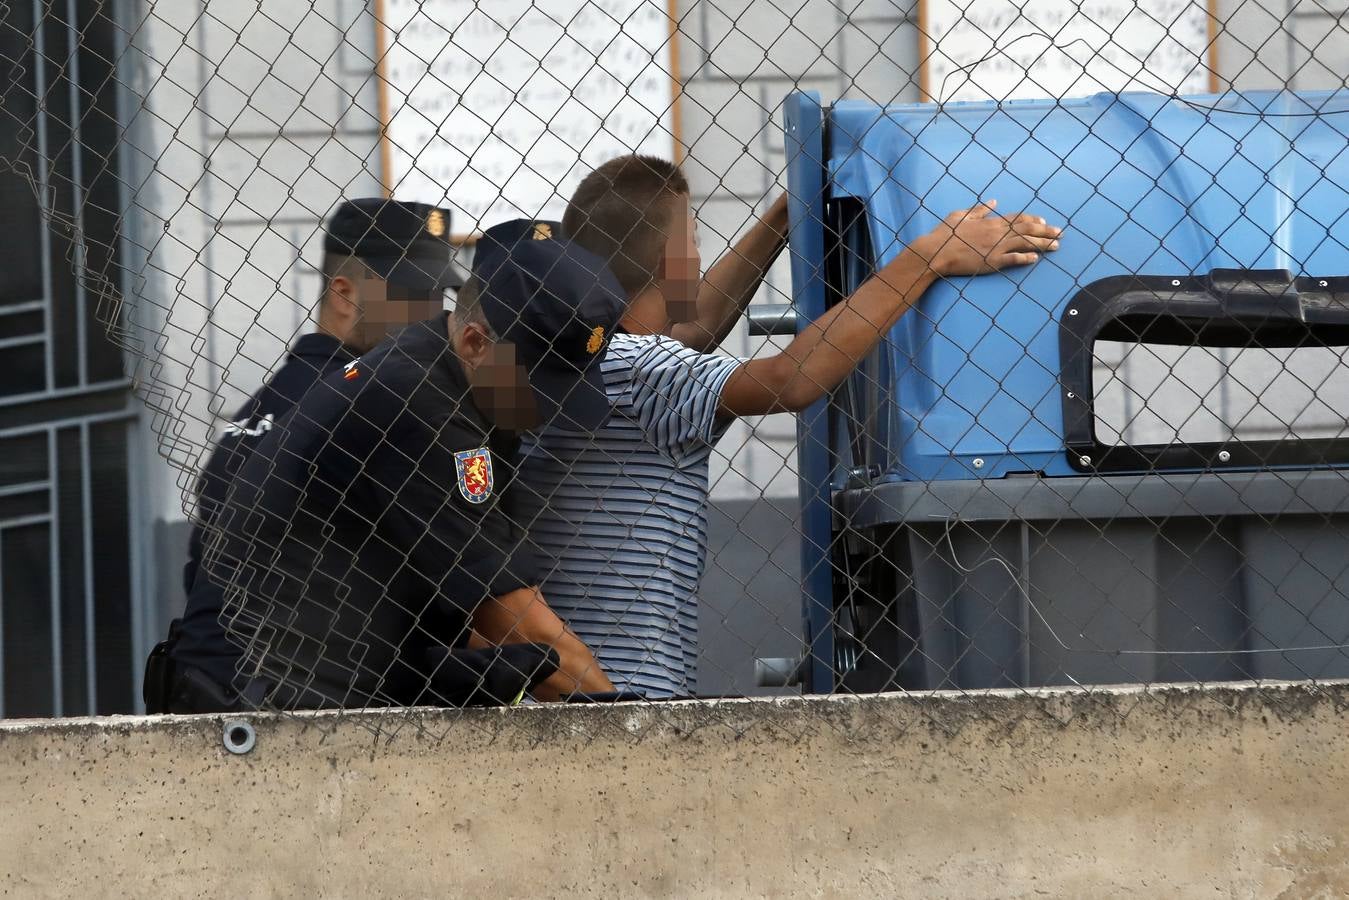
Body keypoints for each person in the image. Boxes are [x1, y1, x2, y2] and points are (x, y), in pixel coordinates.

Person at [518, 154, 1063, 698]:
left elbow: (699, 323)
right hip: (626, 691)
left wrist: (787, 214)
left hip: (566, 687)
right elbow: (793, 377)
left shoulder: (570, 363)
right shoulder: (644, 374)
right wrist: (927, 258)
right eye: (695, 240)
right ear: (674, 260)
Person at [149, 218, 619, 712]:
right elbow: (511, 615)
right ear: (476, 343)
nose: (549, 411)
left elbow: (486, 619)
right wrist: (630, 729)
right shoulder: (421, 404)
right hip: (257, 701)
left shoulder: (453, 377)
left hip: (305, 683)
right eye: (537, 387)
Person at [145, 198, 468, 711]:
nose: (433, 314)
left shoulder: (262, 408)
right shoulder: (371, 405)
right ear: (344, 293)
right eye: (412, 295)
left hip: (211, 691)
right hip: (288, 709)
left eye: (439, 295)